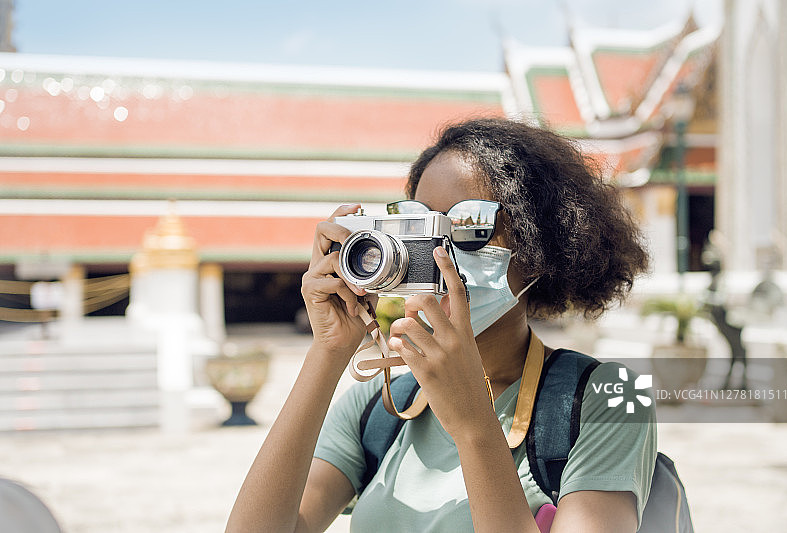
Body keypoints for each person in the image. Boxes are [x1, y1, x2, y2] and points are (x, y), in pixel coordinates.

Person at [226, 118, 656, 533]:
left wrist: (473, 425)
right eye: (419, 223)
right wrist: (329, 350)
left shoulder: (612, 399)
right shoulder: (376, 407)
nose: (439, 251)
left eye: (470, 225)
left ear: (540, 248)